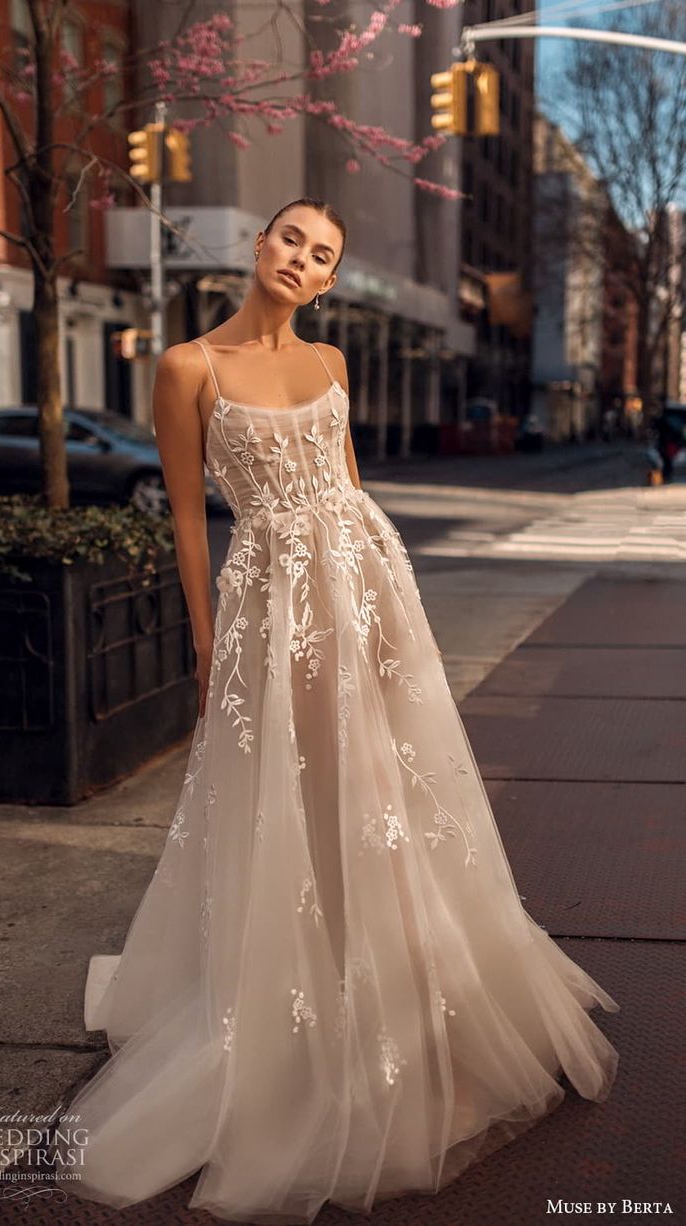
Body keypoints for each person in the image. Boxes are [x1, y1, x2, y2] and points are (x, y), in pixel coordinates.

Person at [55, 198, 619, 1222]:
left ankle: (400, 986)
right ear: (260, 245)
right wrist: (203, 631)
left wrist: (385, 600)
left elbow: (351, 491)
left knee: (383, 783)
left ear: (324, 283)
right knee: (305, 787)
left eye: (322, 256)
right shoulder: (187, 366)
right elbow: (188, 513)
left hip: (365, 587)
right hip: (272, 600)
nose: (302, 260)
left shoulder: (331, 365)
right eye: (291, 239)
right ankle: (311, 1001)